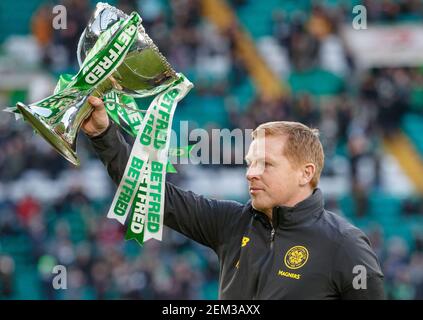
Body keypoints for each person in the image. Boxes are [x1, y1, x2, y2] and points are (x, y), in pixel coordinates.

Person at [82, 96, 385, 299]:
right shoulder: (231, 223)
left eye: (265, 164)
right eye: (250, 163)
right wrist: (103, 134)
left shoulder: (344, 245)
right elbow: (150, 194)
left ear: (305, 173)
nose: (251, 173)